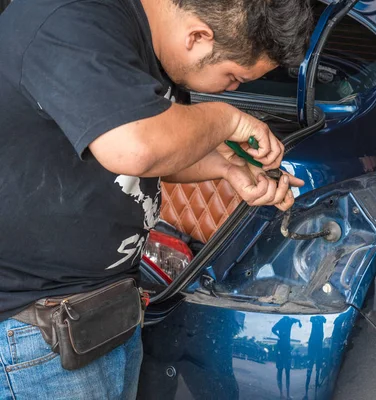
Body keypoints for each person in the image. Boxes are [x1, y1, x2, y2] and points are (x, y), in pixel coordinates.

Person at [0, 0, 313, 397]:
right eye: (234, 78)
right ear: (198, 37)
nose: (233, 90)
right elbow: (135, 146)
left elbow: (152, 147)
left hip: (100, 311)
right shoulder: (70, 20)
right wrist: (227, 119)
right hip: (37, 332)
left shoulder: (146, 43)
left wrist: (227, 167)